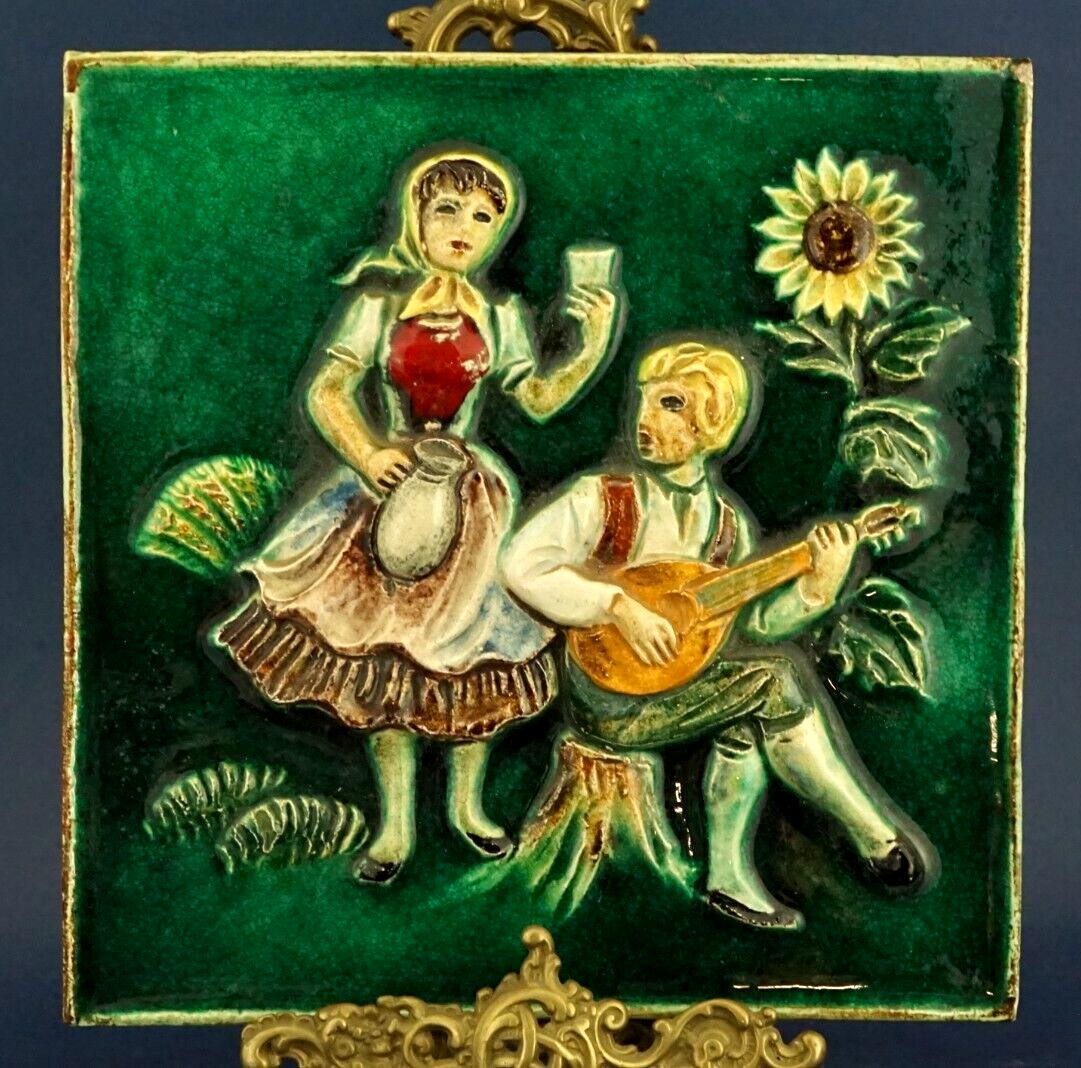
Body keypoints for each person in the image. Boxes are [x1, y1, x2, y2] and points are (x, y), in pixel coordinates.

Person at [212, 145, 622, 884]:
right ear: (416, 218)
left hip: (471, 501)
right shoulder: (377, 306)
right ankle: (395, 823)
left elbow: (536, 400)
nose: (464, 228)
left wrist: (590, 345)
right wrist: (368, 454)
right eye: (447, 210)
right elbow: (328, 392)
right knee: (390, 655)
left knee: (474, 650)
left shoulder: (501, 316)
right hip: (385, 491)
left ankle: (466, 805)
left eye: (483, 217)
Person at [501, 339, 936, 930]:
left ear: (713, 424)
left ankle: (729, 878)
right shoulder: (605, 499)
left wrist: (818, 588)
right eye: (646, 401)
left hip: (680, 686)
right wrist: (616, 605)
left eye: (670, 405)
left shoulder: (726, 530)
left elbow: (751, 627)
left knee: (751, 710)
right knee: (774, 681)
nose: (644, 419)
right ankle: (871, 831)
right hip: (607, 694)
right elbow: (520, 565)